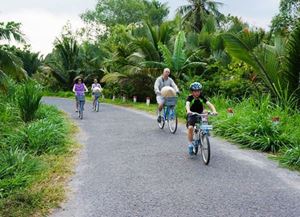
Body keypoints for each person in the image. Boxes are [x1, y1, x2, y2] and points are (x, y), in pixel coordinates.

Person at [186, 82, 217, 155]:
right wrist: (188, 110)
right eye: (195, 91)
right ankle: (190, 144)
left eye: (198, 91)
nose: (197, 93)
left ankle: (205, 128)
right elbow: (187, 104)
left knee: (206, 111)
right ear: (192, 92)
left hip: (200, 113)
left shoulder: (201, 97)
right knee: (190, 128)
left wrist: (214, 111)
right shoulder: (190, 97)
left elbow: (209, 104)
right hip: (192, 114)